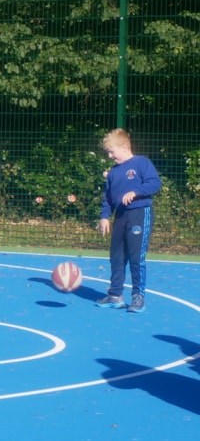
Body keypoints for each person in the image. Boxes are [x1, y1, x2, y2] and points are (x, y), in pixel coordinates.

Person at [96, 128, 160, 313]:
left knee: (135, 256)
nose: (109, 156)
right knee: (117, 257)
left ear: (124, 147)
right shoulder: (114, 172)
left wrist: (135, 192)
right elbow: (108, 197)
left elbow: (154, 183)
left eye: (112, 151)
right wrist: (104, 217)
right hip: (120, 217)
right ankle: (115, 295)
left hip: (139, 214)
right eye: (108, 152)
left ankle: (138, 297)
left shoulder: (141, 163)